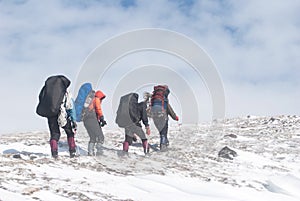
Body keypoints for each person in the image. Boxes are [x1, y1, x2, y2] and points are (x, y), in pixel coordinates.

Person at [36, 75, 77, 158]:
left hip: (51, 113)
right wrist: (73, 120)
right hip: (62, 114)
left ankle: (54, 154)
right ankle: (72, 152)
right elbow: (70, 107)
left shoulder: (47, 90)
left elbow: (41, 98)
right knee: (69, 132)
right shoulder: (65, 93)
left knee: (54, 134)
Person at [150, 85, 178, 151]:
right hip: (163, 117)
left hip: (155, 117)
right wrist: (175, 117)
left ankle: (165, 142)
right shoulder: (164, 100)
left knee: (161, 132)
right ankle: (163, 147)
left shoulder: (154, 99)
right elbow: (169, 110)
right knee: (163, 133)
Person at [82, 90, 107, 156]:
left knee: (92, 137)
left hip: (86, 120)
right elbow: (98, 109)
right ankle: (99, 153)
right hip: (92, 119)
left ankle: (90, 153)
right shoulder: (96, 99)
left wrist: (100, 120)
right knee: (100, 137)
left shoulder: (89, 101)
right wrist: (102, 117)